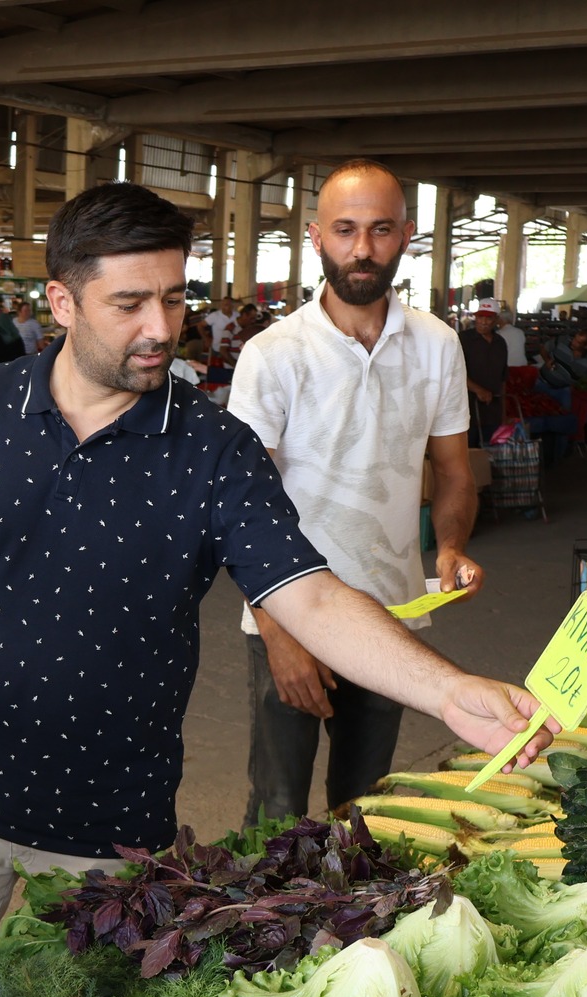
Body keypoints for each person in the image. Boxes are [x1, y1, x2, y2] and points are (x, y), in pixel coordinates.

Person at [0, 181, 554, 954]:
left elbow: (308, 595)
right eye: (130, 304)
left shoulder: (212, 449)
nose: (160, 329)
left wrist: (448, 691)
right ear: (61, 301)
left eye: (175, 300)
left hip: (113, 832)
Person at [228, 159, 483, 822]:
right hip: (288, 616)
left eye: (380, 229)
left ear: (407, 235)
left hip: (390, 617)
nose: (362, 249)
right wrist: (278, 630)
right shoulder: (273, 354)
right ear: (316, 236)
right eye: (345, 230)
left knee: (365, 804)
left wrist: (451, 544)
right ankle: (258, 925)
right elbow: (237, 503)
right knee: (277, 808)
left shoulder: (437, 345)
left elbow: (454, 471)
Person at [457, 299, 508, 446]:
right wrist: (477, 389)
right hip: (468, 409)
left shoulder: (500, 343)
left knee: (490, 452)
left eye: (489, 318)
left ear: (497, 320)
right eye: (480, 317)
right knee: (469, 451)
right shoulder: (463, 339)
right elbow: (454, 372)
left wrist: (503, 413)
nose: (483, 322)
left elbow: (503, 378)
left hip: (493, 410)